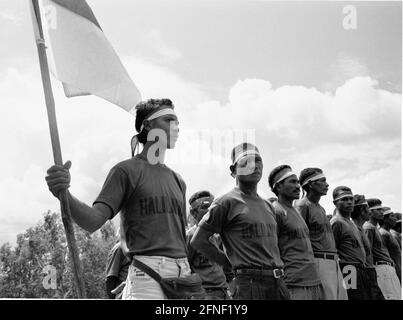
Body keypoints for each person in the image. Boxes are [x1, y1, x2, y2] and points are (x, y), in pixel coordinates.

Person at [45, 98, 192, 300]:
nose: (176, 127)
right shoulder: (125, 171)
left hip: (181, 279)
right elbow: (93, 221)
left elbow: (175, 238)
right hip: (147, 277)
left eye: (177, 122)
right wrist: (64, 193)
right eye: (168, 120)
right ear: (148, 125)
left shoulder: (178, 181)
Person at [191, 143, 290, 300]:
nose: (254, 165)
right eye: (246, 161)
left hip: (278, 282)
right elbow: (198, 241)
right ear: (233, 170)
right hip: (249, 285)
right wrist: (229, 264)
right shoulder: (226, 202)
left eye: (258, 160)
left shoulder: (268, 206)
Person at [268, 165, 324, 300]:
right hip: (294, 283)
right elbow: (270, 249)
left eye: (298, 182)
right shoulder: (276, 211)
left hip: (313, 280)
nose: (298, 186)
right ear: (278, 187)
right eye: (292, 182)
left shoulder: (295, 211)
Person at [294, 168, 347, 300]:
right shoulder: (302, 205)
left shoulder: (321, 208)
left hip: (333, 261)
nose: (327, 184)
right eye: (322, 181)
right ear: (311, 184)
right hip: (318, 261)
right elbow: (299, 239)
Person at [186, 190, 231, 300]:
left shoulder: (218, 236)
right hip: (205, 294)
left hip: (224, 292)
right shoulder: (191, 236)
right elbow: (185, 267)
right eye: (205, 206)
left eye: (213, 205)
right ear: (193, 213)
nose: (210, 210)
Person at [330, 186, 368, 300]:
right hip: (348, 269)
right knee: (353, 297)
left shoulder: (351, 223)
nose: (349, 202)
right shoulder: (336, 222)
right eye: (344, 199)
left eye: (351, 199)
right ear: (335, 203)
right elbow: (333, 249)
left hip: (360, 269)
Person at [364, 198, 401, 300]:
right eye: (378, 209)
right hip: (381, 268)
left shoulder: (374, 228)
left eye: (381, 209)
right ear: (370, 211)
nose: (382, 212)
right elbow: (368, 251)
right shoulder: (369, 228)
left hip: (387, 268)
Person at [351, 195, 385, 300]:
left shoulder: (361, 229)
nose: (370, 212)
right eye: (367, 209)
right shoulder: (354, 229)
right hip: (357, 271)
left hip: (369, 271)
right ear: (361, 211)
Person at [378, 207, 401, 281]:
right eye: (392, 216)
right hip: (389, 272)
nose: (395, 219)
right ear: (385, 219)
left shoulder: (388, 233)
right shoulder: (383, 233)